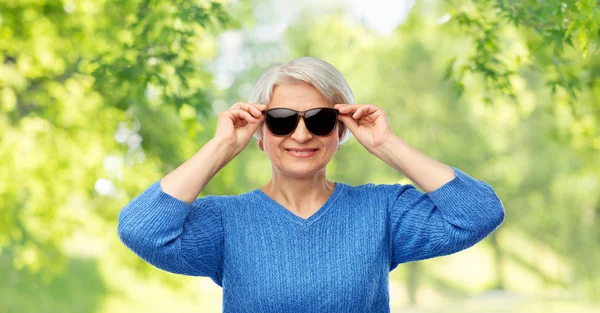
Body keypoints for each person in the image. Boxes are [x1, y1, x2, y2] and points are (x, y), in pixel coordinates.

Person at [117, 56, 505, 312]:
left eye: (319, 119)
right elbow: (140, 229)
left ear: (340, 130)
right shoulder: (226, 221)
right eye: (282, 119)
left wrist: (386, 144)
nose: (301, 135)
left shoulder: (382, 212)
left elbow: (479, 213)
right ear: (259, 131)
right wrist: (221, 147)